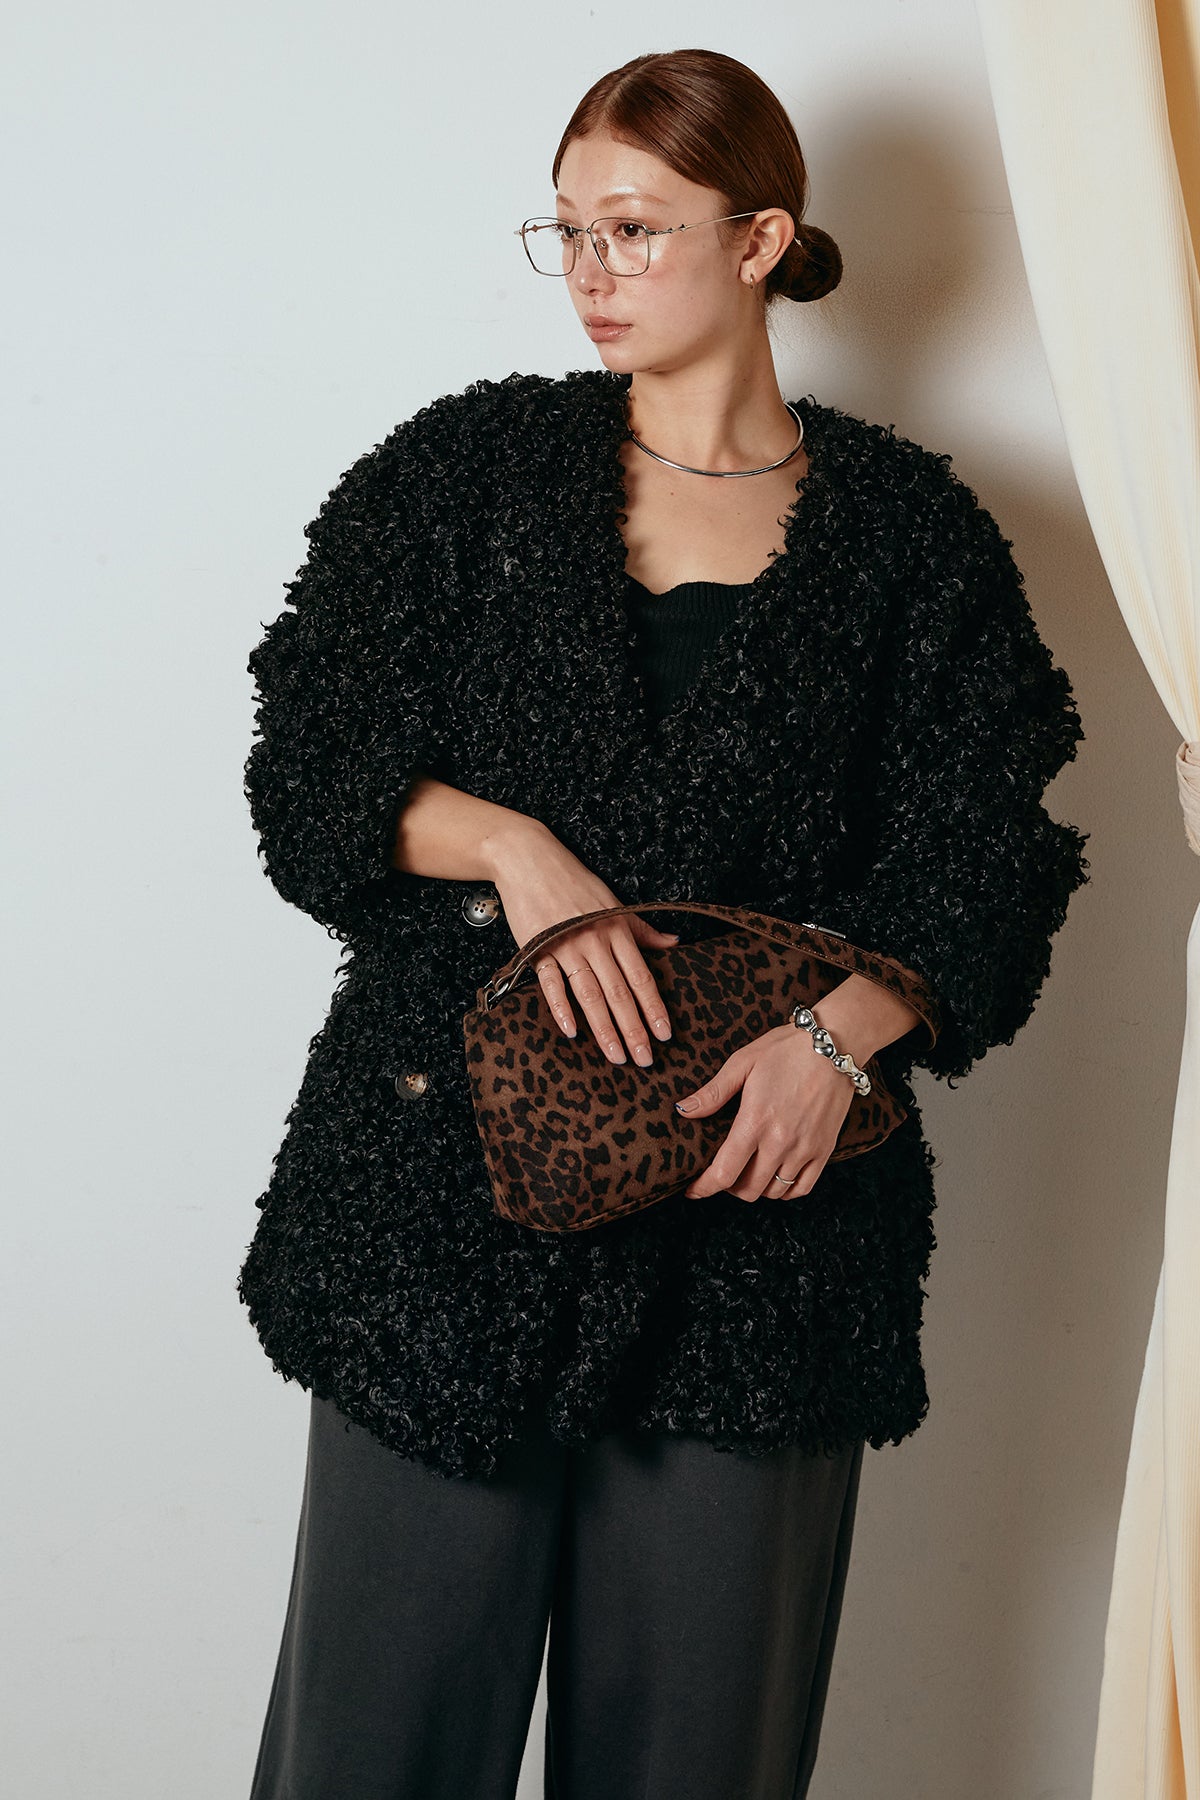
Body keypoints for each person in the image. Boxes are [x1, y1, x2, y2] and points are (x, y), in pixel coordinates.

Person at [239, 46, 1090, 1800]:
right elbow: (308, 762)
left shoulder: (912, 539)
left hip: (761, 1238)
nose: (593, 270)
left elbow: (990, 856)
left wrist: (837, 1042)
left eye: (634, 227)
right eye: (568, 231)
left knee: (698, 1761)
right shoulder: (464, 475)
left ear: (760, 239)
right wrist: (518, 851)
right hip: (439, 1210)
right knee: (373, 1756)